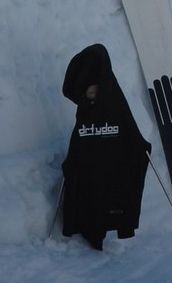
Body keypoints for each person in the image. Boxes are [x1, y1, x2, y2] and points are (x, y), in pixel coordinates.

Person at [61, 43, 151, 251]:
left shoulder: (115, 106)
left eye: (93, 91)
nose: (90, 96)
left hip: (112, 176)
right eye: (86, 93)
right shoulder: (85, 111)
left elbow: (131, 137)